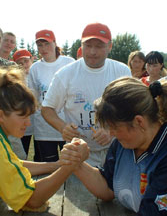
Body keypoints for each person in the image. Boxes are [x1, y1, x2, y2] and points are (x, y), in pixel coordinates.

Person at [60, 77, 167, 215]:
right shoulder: (124, 143)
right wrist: (76, 163)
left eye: (114, 127)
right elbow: (108, 189)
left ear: (139, 121)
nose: (112, 134)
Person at [0, 66, 89, 216]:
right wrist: (69, 166)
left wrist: (56, 165)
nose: (28, 123)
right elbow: (32, 200)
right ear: (1, 115)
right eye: (23, 116)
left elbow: (12, 164)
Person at [41, 22, 131, 167]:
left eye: (99, 46)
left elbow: (132, 110)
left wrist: (112, 130)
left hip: (117, 150)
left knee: (115, 190)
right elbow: (47, 109)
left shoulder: (122, 72)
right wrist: (62, 127)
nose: (92, 52)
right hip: (79, 154)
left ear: (110, 46)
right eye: (88, 46)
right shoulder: (65, 74)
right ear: (81, 45)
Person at [28, 29, 75, 162]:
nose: (43, 48)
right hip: (44, 129)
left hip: (67, 126)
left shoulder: (69, 62)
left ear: (55, 43)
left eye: (47, 44)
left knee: (72, 168)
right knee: (47, 169)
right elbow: (33, 97)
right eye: (39, 45)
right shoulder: (35, 68)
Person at [12, 49, 34, 156]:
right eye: (19, 63)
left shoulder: (38, 75)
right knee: (23, 152)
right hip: (23, 123)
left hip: (39, 123)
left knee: (39, 154)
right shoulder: (15, 79)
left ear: (32, 60)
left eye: (26, 61)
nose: (24, 65)